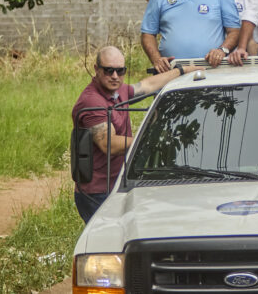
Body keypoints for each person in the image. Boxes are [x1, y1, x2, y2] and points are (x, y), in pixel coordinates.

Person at [71, 46, 198, 223]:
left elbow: (148, 85)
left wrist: (181, 71)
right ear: (96, 69)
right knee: (109, 244)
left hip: (118, 183)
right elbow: (109, 144)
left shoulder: (118, 90)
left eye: (120, 71)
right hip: (98, 192)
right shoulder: (92, 101)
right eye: (109, 70)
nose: (115, 76)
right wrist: (151, 140)